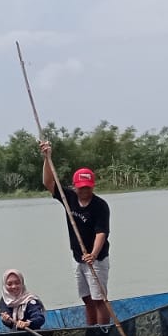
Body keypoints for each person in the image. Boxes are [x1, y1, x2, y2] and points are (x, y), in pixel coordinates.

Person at [41, 140, 112, 326]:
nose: (84, 190)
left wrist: (93, 254)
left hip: (96, 258)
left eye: (88, 187)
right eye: (81, 187)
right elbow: (48, 182)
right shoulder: (69, 198)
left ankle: (102, 331)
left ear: (93, 186)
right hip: (77, 257)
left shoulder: (100, 206)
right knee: (87, 298)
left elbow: (101, 232)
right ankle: (91, 329)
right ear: (75, 186)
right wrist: (47, 158)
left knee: (99, 299)